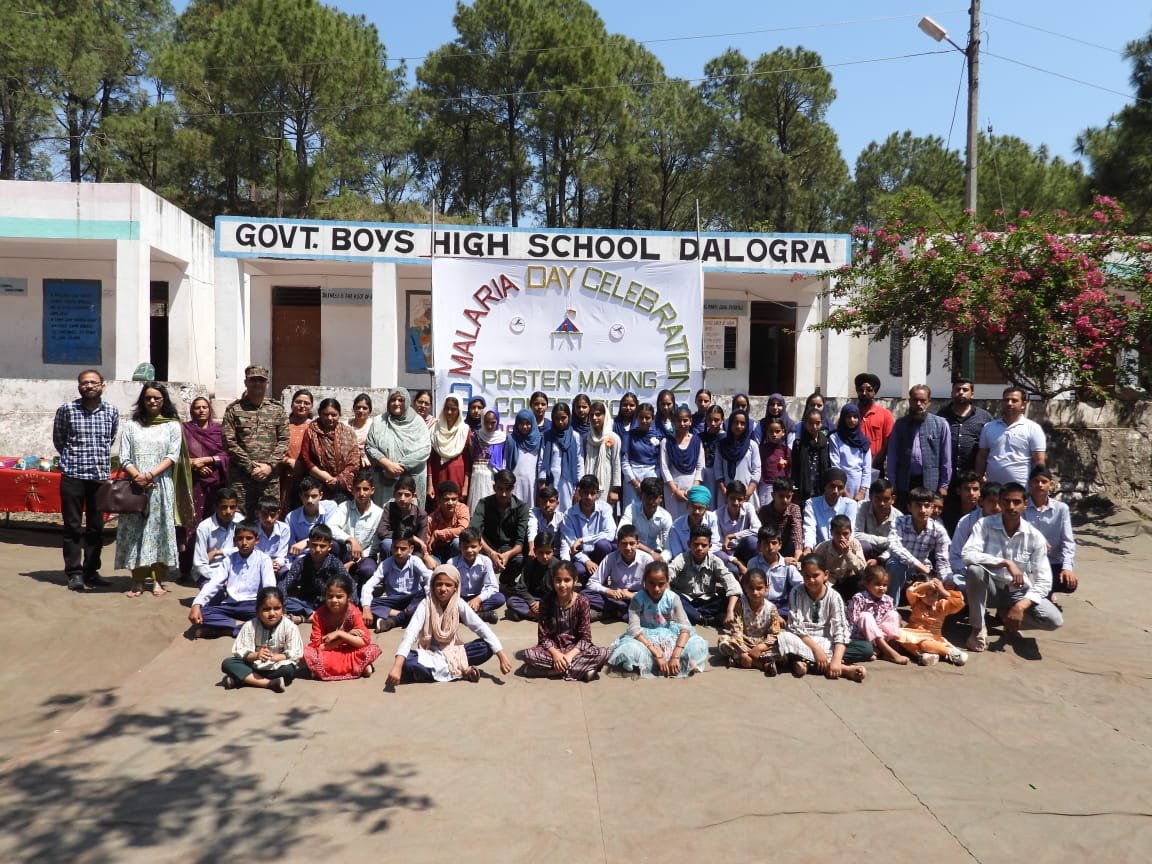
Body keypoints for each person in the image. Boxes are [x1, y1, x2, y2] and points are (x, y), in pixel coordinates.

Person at [962, 482, 1064, 652]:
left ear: (1025, 504)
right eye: (1006, 501)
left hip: (1016, 591)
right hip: (989, 589)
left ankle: (1009, 619)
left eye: (1016, 502)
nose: (1010, 506)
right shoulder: (984, 524)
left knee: (1054, 620)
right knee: (975, 570)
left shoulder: (1034, 536)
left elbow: (1044, 581)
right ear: (1000, 503)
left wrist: (1020, 606)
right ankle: (978, 628)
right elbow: (968, 554)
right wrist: (1005, 562)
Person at [115, 382, 190, 598]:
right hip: (134, 487)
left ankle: (158, 580)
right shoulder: (131, 426)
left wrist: (149, 475)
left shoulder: (172, 426)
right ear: (142, 400)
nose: (152, 401)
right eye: (148, 398)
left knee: (158, 533)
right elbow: (124, 456)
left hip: (160, 485)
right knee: (135, 533)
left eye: (157, 397)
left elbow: (172, 456)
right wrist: (137, 475)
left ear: (163, 400)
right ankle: (137, 580)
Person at [387, 563, 513, 684]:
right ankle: (461, 670)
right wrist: (397, 666)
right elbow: (410, 634)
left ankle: (431, 672)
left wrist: (501, 656)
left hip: (454, 651)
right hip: (430, 653)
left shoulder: (459, 603)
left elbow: (481, 627)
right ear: (432, 585)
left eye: (448, 585)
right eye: (439, 584)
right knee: (407, 660)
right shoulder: (425, 604)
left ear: (455, 587)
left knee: (486, 646)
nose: (443, 589)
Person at [53, 369, 120, 591]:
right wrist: (74, 460)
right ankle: (74, 573)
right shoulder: (67, 410)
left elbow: (109, 440)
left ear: (103, 385)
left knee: (96, 527)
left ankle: (91, 571)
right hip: (73, 475)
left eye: (94, 382)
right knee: (72, 527)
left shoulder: (111, 411)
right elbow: (59, 440)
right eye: (85, 383)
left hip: (99, 478)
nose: (89, 386)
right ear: (78, 386)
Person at [606, 560, 709, 678]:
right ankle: (662, 662)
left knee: (697, 644)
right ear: (644, 582)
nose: (656, 589)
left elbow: (685, 628)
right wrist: (657, 655)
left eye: (661, 584)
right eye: (651, 583)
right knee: (630, 649)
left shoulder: (672, 598)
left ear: (667, 582)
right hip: (644, 637)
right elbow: (634, 629)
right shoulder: (638, 599)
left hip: (669, 634)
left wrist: (675, 655)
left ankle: (678, 661)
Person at [775, 554, 870, 682]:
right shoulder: (796, 592)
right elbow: (795, 626)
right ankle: (843, 669)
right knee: (783, 638)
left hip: (826, 640)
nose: (811, 580)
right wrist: (816, 650)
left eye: (815, 576)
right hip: (803, 640)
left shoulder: (834, 596)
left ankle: (804, 662)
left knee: (866, 648)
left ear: (825, 575)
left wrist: (836, 658)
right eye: (806, 576)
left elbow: (840, 629)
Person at [521, 562, 610, 681]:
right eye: (558, 580)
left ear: (575, 580)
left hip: (575, 649)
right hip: (552, 649)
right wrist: (556, 654)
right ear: (553, 581)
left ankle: (551, 672)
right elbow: (543, 637)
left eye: (567, 580)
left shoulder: (582, 602)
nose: (562, 585)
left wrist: (569, 656)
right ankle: (582, 671)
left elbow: (585, 637)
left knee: (604, 653)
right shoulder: (546, 602)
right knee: (528, 655)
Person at [221, 366, 290, 517]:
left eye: (261, 380)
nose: (257, 383)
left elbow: (284, 441)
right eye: (253, 380)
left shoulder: (277, 409)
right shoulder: (234, 409)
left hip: (269, 477)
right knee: (240, 519)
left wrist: (269, 466)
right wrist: (250, 466)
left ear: (267, 383)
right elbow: (229, 442)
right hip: (241, 478)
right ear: (246, 382)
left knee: (269, 518)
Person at [188, 520, 276, 638]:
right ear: (234, 541)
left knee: (270, 617)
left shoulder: (264, 560)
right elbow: (214, 583)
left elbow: (269, 587)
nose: (244, 543)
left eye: (249, 538)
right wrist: (196, 604)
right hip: (230, 605)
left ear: (257, 540)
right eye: (240, 539)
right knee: (204, 613)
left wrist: (269, 608)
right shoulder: (229, 560)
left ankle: (227, 630)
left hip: (253, 605)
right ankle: (243, 626)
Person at [219, 586, 304, 692]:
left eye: (277, 608)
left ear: (283, 609)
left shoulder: (290, 626)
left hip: (276, 666)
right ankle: (270, 683)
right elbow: (240, 650)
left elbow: (296, 652)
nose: (272, 613)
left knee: (289, 670)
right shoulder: (250, 626)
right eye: (266, 609)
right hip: (253, 665)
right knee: (228, 663)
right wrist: (256, 655)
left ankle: (242, 679)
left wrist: (280, 656)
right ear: (257, 610)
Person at [302, 572, 382, 681]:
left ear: (348, 597)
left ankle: (323, 671)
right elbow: (318, 646)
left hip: (350, 651)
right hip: (329, 651)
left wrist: (340, 634)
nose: (334, 600)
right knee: (307, 653)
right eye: (330, 596)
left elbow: (364, 641)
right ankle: (359, 667)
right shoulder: (319, 615)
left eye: (339, 597)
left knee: (369, 650)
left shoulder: (353, 612)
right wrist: (343, 638)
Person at [886, 385, 953, 511]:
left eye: (923, 401)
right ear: (909, 401)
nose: (918, 404)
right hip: (905, 483)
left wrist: (944, 485)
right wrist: (892, 483)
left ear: (929, 403)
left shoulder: (940, 424)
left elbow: (946, 458)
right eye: (915, 400)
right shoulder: (900, 425)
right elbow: (892, 456)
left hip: (930, 484)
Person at [937, 378, 993, 526]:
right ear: (952, 393)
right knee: (949, 515)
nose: (961, 392)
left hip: (972, 479)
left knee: (974, 517)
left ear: (972, 394)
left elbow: (989, 446)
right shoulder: (941, 416)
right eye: (957, 389)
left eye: (965, 390)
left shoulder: (984, 417)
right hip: (948, 479)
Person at [365, 386, 432, 507]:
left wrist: (397, 467)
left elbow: (424, 450)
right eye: (393, 400)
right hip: (383, 478)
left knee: (409, 519)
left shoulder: (417, 423)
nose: (396, 403)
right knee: (385, 518)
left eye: (401, 400)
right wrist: (387, 465)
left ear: (407, 401)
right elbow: (370, 446)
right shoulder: (379, 422)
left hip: (411, 480)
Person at [361, 530, 435, 633]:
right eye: (395, 548)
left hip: (412, 599)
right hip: (394, 601)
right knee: (368, 604)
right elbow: (368, 585)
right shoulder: (385, 564)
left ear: (411, 549)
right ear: (391, 547)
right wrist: (366, 608)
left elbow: (430, 577)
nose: (398, 552)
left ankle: (393, 621)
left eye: (403, 549)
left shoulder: (415, 561)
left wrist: (427, 592)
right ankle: (405, 615)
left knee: (425, 593)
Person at [886, 486, 951, 602]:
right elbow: (894, 546)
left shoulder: (939, 530)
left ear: (932, 508)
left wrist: (946, 580)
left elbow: (943, 560)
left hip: (921, 571)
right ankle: (891, 607)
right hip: (901, 566)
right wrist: (921, 567)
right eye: (918, 505)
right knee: (894, 565)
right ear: (909, 507)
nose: (923, 510)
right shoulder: (899, 521)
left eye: (927, 506)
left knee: (937, 583)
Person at [669, 525, 742, 627]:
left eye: (704, 545)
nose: (699, 548)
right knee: (671, 595)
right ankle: (700, 618)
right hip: (685, 600)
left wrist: (730, 611)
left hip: (707, 602)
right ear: (689, 544)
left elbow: (732, 585)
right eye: (696, 544)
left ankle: (692, 614)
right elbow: (667, 575)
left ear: (710, 546)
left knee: (730, 596)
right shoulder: (681, 558)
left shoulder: (715, 561)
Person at [469, 469, 529, 590]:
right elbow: (474, 532)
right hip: (486, 546)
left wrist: (507, 555)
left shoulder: (522, 507)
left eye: (507, 489)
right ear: (494, 487)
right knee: (471, 549)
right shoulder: (483, 503)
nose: (503, 494)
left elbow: (519, 543)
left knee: (519, 559)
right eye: (500, 489)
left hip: (509, 548)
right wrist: (491, 553)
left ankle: (505, 582)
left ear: (513, 489)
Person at [974, 386, 1046, 487]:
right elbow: (982, 457)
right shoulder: (989, 427)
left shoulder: (1033, 428)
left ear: (1023, 404)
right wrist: (978, 480)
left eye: (1014, 400)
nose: (1009, 403)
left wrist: (1037, 486)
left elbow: (1039, 461)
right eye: (1006, 400)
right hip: (993, 490)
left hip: (1022, 490)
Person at [716, 568, 783, 674]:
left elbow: (775, 633)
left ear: (766, 588)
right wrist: (742, 651)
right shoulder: (741, 605)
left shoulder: (771, 608)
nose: (755, 592)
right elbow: (736, 629)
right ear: (745, 589)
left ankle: (740, 661)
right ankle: (760, 664)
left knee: (783, 650)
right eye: (751, 588)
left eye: (759, 588)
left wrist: (761, 647)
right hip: (743, 641)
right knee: (724, 642)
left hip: (762, 643)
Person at [581, 524, 654, 622]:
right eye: (624, 544)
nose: (628, 548)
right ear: (618, 544)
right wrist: (608, 591)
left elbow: (653, 589)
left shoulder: (647, 559)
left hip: (637, 597)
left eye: (632, 543)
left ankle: (614, 611)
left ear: (637, 543)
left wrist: (631, 595)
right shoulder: (610, 558)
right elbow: (592, 583)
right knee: (583, 594)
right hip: (615, 597)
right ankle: (621, 611)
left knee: (650, 604)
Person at [1024, 465, 1078, 594]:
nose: (1040, 485)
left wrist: (1067, 568)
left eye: (1044, 481)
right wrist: (1039, 539)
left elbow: (1068, 541)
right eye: (1036, 481)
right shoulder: (1023, 507)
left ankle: (1047, 592)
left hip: (1053, 561)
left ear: (1051, 484)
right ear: (1030, 484)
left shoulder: (1061, 509)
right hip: (1030, 561)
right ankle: (1043, 593)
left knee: (1069, 584)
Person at [893, 578, 968, 666]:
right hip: (913, 633)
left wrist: (942, 590)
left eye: (934, 594)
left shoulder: (942, 605)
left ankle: (953, 653)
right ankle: (923, 655)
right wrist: (927, 584)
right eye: (927, 594)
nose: (931, 598)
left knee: (925, 645)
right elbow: (910, 591)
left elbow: (959, 603)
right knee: (896, 633)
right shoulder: (916, 603)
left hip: (932, 637)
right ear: (920, 595)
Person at [298, 398, 360, 503]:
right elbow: (306, 459)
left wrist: (338, 480)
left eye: (334, 415)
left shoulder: (348, 432)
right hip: (318, 485)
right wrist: (326, 477)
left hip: (343, 486)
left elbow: (354, 460)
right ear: (319, 414)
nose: (330, 418)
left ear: (339, 414)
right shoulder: (311, 431)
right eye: (325, 414)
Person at [278, 523, 345, 621]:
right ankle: (313, 615)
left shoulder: (335, 563)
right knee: (282, 601)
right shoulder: (301, 562)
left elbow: (348, 582)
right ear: (308, 544)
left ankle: (305, 618)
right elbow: (284, 584)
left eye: (322, 546)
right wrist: (283, 605)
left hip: (327, 603)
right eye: (314, 545)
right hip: (305, 603)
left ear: (329, 547)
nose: (317, 550)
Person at [329, 469, 383, 584]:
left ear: (372, 490)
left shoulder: (379, 513)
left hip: (366, 556)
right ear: (352, 490)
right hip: (345, 553)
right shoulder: (345, 507)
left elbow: (375, 545)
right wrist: (351, 540)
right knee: (333, 545)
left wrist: (356, 560)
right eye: (358, 489)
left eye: (365, 489)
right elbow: (331, 527)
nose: (361, 493)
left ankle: (360, 593)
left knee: (368, 570)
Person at [559, 474, 616, 583]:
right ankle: (589, 582)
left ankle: (602, 577)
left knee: (603, 545)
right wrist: (587, 561)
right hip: (582, 555)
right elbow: (572, 545)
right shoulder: (569, 514)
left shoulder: (605, 508)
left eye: (592, 493)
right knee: (579, 570)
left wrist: (583, 540)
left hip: (600, 553)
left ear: (598, 494)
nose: (589, 497)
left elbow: (610, 534)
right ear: (579, 493)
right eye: (585, 493)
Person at [182, 396, 230, 525]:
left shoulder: (219, 430)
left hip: (215, 482)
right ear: (192, 411)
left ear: (209, 410)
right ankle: (191, 545)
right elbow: (177, 455)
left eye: (205, 407)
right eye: (197, 408)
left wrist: (206, 460)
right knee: (192, 517)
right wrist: (194, 465)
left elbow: (227, 455)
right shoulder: (184, 429)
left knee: (214, 518)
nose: (201, 410)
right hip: (192, 481)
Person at [846, 564, 907, 665]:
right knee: (865, 616)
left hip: (883, 636)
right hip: (864, 636)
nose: (882, 588)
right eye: (878, 584)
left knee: (893, 614)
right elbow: (853, 623)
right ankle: (887, 651)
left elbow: (891, 622)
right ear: (866, 583)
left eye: (885, 585)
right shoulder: (859, 598)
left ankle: (883, 648)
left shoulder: (887, 599)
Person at [949, 481, 1001, 589]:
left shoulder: (1009, 522)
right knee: (952, 584)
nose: (996, 507)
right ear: (981, 501)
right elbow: (955, 556)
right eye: (991, 501)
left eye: (999, 502)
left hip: (1000, 574)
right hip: (969, 572)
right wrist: (972, 574)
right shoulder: (966, 521)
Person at [451, 527, 506, 623]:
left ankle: (463, 615)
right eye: (465, 547)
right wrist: (459, 601)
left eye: (473, 546)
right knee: (446, 603)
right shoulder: (452, 563)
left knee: (499, 598)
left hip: (478, 598)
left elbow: (493, 586)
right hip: (459, 599)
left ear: (480, 546)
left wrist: (478, 599)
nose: (469, 550)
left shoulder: (485, 561)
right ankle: (479, 615)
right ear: (460, 547)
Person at [745, 527, 803, 617]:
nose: (770, 547)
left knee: (792, 612)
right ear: (759, 545)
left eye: (774, 543)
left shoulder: (787, 564)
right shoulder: (753, 563)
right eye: (766, 543)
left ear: (780, 545)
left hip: (780, 605)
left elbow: (800, 584)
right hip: (759, 602)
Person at [660, 405, 704, 521]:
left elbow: (700, 467)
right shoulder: (666, 442)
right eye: (679, 420)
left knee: (691, 521)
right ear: (674, 422)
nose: (682, 423)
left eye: (685, 420)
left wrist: (693, 489)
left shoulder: (696, 441)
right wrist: (675, 491)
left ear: (690, 421)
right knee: (673, 522)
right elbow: (664, 468)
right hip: (672, 489)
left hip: (692, 488)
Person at [192, 487, 242, 584]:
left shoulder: (241, 522)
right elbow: (199, 564)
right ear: (215, 507)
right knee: (215, 596)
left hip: (235, 571)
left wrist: (220, 552)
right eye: (224, 507)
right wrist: (221, 578)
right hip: (210, 572)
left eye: (232, 507)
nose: (228, 511)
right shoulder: (204, 527)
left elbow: (249, 549)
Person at [507, 531, 560, 622]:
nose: (544, 556)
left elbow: (560, 590)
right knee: (511, 601)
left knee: (564, 604)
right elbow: (521, 588)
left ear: (553, 551)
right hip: (534, 599)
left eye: (548, 552)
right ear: (535, 551)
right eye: (541, 553)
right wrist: (532, 603)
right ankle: (538, 615)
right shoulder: (530, 565)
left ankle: (530, 614)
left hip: (551, 600)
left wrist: (543, 603)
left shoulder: (558, 566)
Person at [802, 468, 859, 552]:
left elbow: (850, 532)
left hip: (842, 548)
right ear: (824, 486)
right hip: (819, 551)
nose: (835, 491)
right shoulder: (812, 504)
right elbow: (809, 528)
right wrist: (808, 549)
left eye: (840, 488)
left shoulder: (850, 505)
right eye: (832, 486)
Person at [428, 396, 471, 507]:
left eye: (453, 409)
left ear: (459, 410)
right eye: (447, 408)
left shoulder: (465, 430)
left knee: (456, 508)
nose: (449, 412)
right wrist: (430, 484)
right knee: (438, 507)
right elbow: (429, 459)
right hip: (439, 475)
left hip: (458, 476)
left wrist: (465, 486)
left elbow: (468, 460)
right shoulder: (434, 428)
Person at [618, 476, 672, 561]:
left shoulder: (666, 517)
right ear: (641, 496)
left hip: (654, 555)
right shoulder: (631, 509)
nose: (650, 501)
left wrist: (661, 559)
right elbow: (621, 534)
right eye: (647, 497)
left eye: (654, 497)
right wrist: (650, 552)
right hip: (632, 551)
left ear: (660, 498)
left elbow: (668, 548)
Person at [813, 514, 867, 599]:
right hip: (830, 582)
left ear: (850, 532)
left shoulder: (855, 544)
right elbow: (814, 567)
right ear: (831, 532)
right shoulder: (823, 547)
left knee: (861, 579)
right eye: (837, 533)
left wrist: (847, 553)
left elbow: (862, 568)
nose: (841, 537)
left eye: (845, 534)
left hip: (850, 580)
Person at [285, 477, 339, 561]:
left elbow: (330, 533)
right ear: (300, 496)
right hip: (302, 557)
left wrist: (307, 542)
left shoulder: (330, 507)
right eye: (306, 496)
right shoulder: (291, 517)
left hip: (324, 553)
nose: (310, 500)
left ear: (321, 495)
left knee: (335, 545)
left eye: (314, 496)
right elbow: (291, 547)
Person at [540, 402, 581, 511]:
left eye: (563, 418)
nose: (560, 422)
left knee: (567, 510)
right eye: (557, 418)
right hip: (551, 480)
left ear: (569, 417)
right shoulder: (547, 436)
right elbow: (542, 460)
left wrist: (579, 487)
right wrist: (542, 482)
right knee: (551, 509)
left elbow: (579, 462)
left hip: (568, 481)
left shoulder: (575, 436)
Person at [376, 475, 428, 558]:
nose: (402, 498)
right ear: (394, 494)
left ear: (414, 497)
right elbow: (382, 532)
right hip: (394, 548)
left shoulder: (421, 514)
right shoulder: (389, 508)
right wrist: (411, 537)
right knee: (386, 544)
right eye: (399, 494)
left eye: (407, 495)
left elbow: (421, 542)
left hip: (411, 551)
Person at [621, 402, 661, 510]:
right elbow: (624, 462)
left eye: (647, 418)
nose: (644, 421)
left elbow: (660, 463)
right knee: (631, 512)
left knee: (650, 511)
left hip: (652, 478)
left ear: (652, 418)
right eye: (641, 417)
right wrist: (636, 484)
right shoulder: (628, 435)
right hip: (632, 479)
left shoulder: (658, 437)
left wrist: (652, 482)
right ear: (636, 418)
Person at [854, 372, 894, 480]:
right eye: (861, 390)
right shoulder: (850, 414)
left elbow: (888, 442)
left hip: (876, 468)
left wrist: (874, 463)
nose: (864, 393)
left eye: (869, 389)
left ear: (874, 392)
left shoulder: (885, 415)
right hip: (853, 469)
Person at [717, 410, 760, 508]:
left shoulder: (752, 445)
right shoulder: (721, 445)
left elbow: (757, 470)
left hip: (747, 494)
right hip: (726, 494)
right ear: (730, 423)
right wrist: (724, 492)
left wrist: (748, 493)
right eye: (735, 422)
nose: (739, 426)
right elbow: (718, 470)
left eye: (742, 423)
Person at [583, 401, 621, 510]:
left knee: (605, 513)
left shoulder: (613, 438)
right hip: (588, 484)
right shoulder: (586, 438)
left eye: (598, 414)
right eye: (592, 415)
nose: (594, 418)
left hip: (606, 484)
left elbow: (616, 464)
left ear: (606, 416)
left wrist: (614, 490)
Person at [666, 485, 722, 560]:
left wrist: (701, 554)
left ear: (706, 509)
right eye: (693, 507)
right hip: (685, 562)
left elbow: (716, 545)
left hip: (708, 558)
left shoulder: (712, 518)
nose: (696, 511)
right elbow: (677, 553)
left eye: (700, 508)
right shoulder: (676, 526)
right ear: (687, 505)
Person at [854, 478, 902, 563]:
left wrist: (879, 559)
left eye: (886, 499)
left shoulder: (899, 517)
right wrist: (886, 541)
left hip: (886, 554)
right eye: (877, 498)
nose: (881, 503)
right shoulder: (862, 507)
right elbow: (856, 535)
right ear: (870, 497)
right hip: (865, 552)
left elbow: (897, 545)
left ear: (893, 499)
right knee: (863, 546)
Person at [829, 404, 871, 501]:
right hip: (841, 485)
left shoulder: (864, 441)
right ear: (843, 418)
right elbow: (835, 465)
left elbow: (867, 468)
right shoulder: (835, 438)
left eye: (855, 417)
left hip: (860, 485)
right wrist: (842, 490)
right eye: (848, 417)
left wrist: (862, 491)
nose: (852, 420)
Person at [716, 480, 761, 569]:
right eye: (732, 498)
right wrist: (732, 558)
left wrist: (733, 536)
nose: (736, 503)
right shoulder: (717, 515)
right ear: (726, 497)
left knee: (752, 541)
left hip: (743, 549)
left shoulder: (748, 507)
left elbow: (758, 529)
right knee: (734, 570)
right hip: (727, 553)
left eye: (740, 499)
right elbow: (717, 544)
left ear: (744, 499)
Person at [791, 408, 831, 505]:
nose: (814, 426)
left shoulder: (825, 443)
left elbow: (828, 465)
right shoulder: (799, 444)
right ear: (805, 424)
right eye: (810, 423)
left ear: (821, 423)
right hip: (804, 487)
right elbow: (794, 468)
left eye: (817, 423)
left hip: (820, 487)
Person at [468, 408, 507, 509]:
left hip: (495, 477)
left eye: (493, 422)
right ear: (482, 421)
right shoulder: (476, 436)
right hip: (478, 475)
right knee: (477, 506)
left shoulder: (503, 438)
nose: (489, 426)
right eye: (486, 422)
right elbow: (471, 456)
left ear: (497, 421)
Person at [757, 479, 803, 563]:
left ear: (792, 495)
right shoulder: (763, 511)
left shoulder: (794, 509)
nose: (785, 500)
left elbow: (797, 535)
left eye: (788, 496)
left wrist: (796, 560)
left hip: (787, 548)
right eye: (781, 496)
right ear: (773, 495)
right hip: (769, 548)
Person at [425, 480, 470, 562]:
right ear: (439, 500)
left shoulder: (462, 508)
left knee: (457, 542)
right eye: (446, 499)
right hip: (437, 553)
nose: (450, 503)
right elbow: (426, 544)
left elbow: (463, 530)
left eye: (453, 499)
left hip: (456, 551)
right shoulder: (431, 519)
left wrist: (438, 534)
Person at [506, 408, 543, 506]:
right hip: (515, 481)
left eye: (528, 423)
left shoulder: (538, 441)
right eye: (521, 423)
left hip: (532, 482)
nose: (524, 426)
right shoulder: (511, 440)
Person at [254, 496, 290, 574]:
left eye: (272, 515)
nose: (269, 519)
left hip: (276, 565)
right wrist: (267, 564)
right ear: (257, 513)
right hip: (256, 564)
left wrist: (275, 564)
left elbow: (282, 554)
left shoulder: (284, 529)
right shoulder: (252, 529)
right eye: (264, 515)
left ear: (279, 513)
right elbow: (252, 553)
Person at [699, 404, 725, 501]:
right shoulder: (700, 437)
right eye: (710, 420)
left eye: (716, 420)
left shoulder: (726, 438)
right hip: (704, 476)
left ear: (722, 419)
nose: (713, 423)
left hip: (721, 477)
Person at [758, 419, 791, 487]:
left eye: (777, 431)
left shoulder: (787, 451)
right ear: (767, 432)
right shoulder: (761, 450)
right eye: (771, 431)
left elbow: (790, 470)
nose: (774, 434)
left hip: (782, 487)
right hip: (765, 486)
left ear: (783, 432)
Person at [348, 393, 373, 467]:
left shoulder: (373, 426)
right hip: (349, 463)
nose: (361, 410)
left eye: (365, 408)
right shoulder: (346, 425)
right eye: (358, 407)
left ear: (370, 410)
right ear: (354, 409)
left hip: (370, 464)